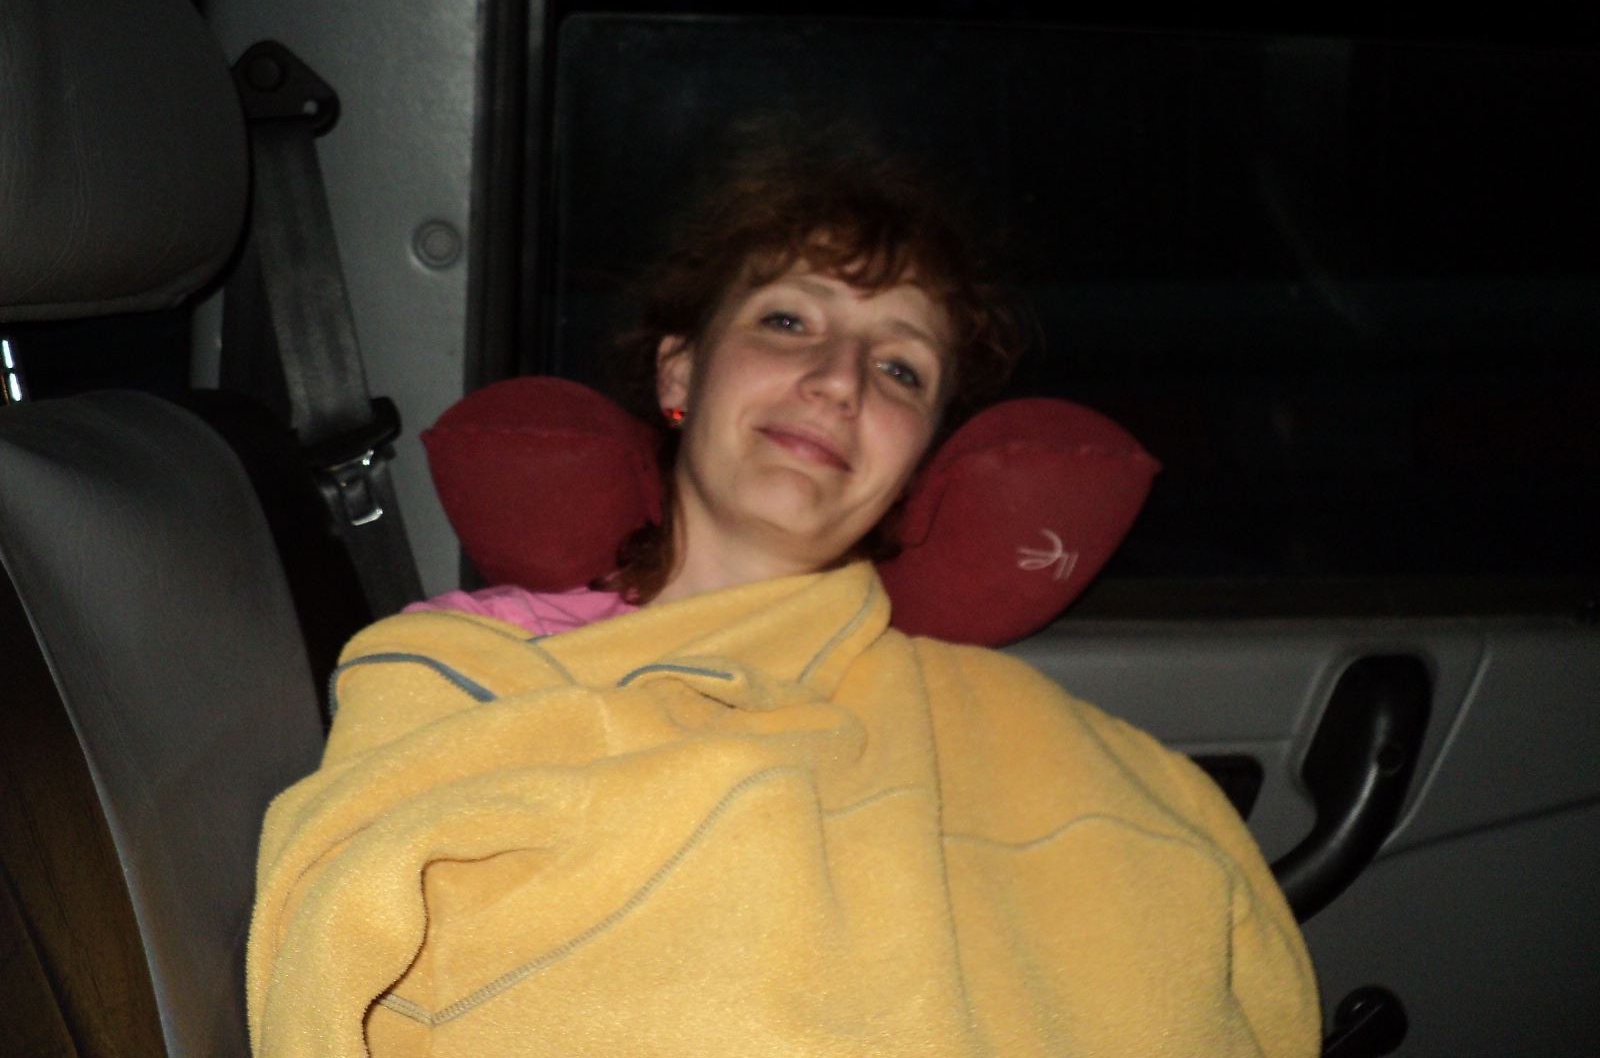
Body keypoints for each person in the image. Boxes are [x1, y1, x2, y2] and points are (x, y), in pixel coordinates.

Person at [246, 147, 1320, 1058]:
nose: (841, 378)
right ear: (680, 375)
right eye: (789, 320)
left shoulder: (976, 722)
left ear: (915, 463)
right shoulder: (472, 657)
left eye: (901, 371)